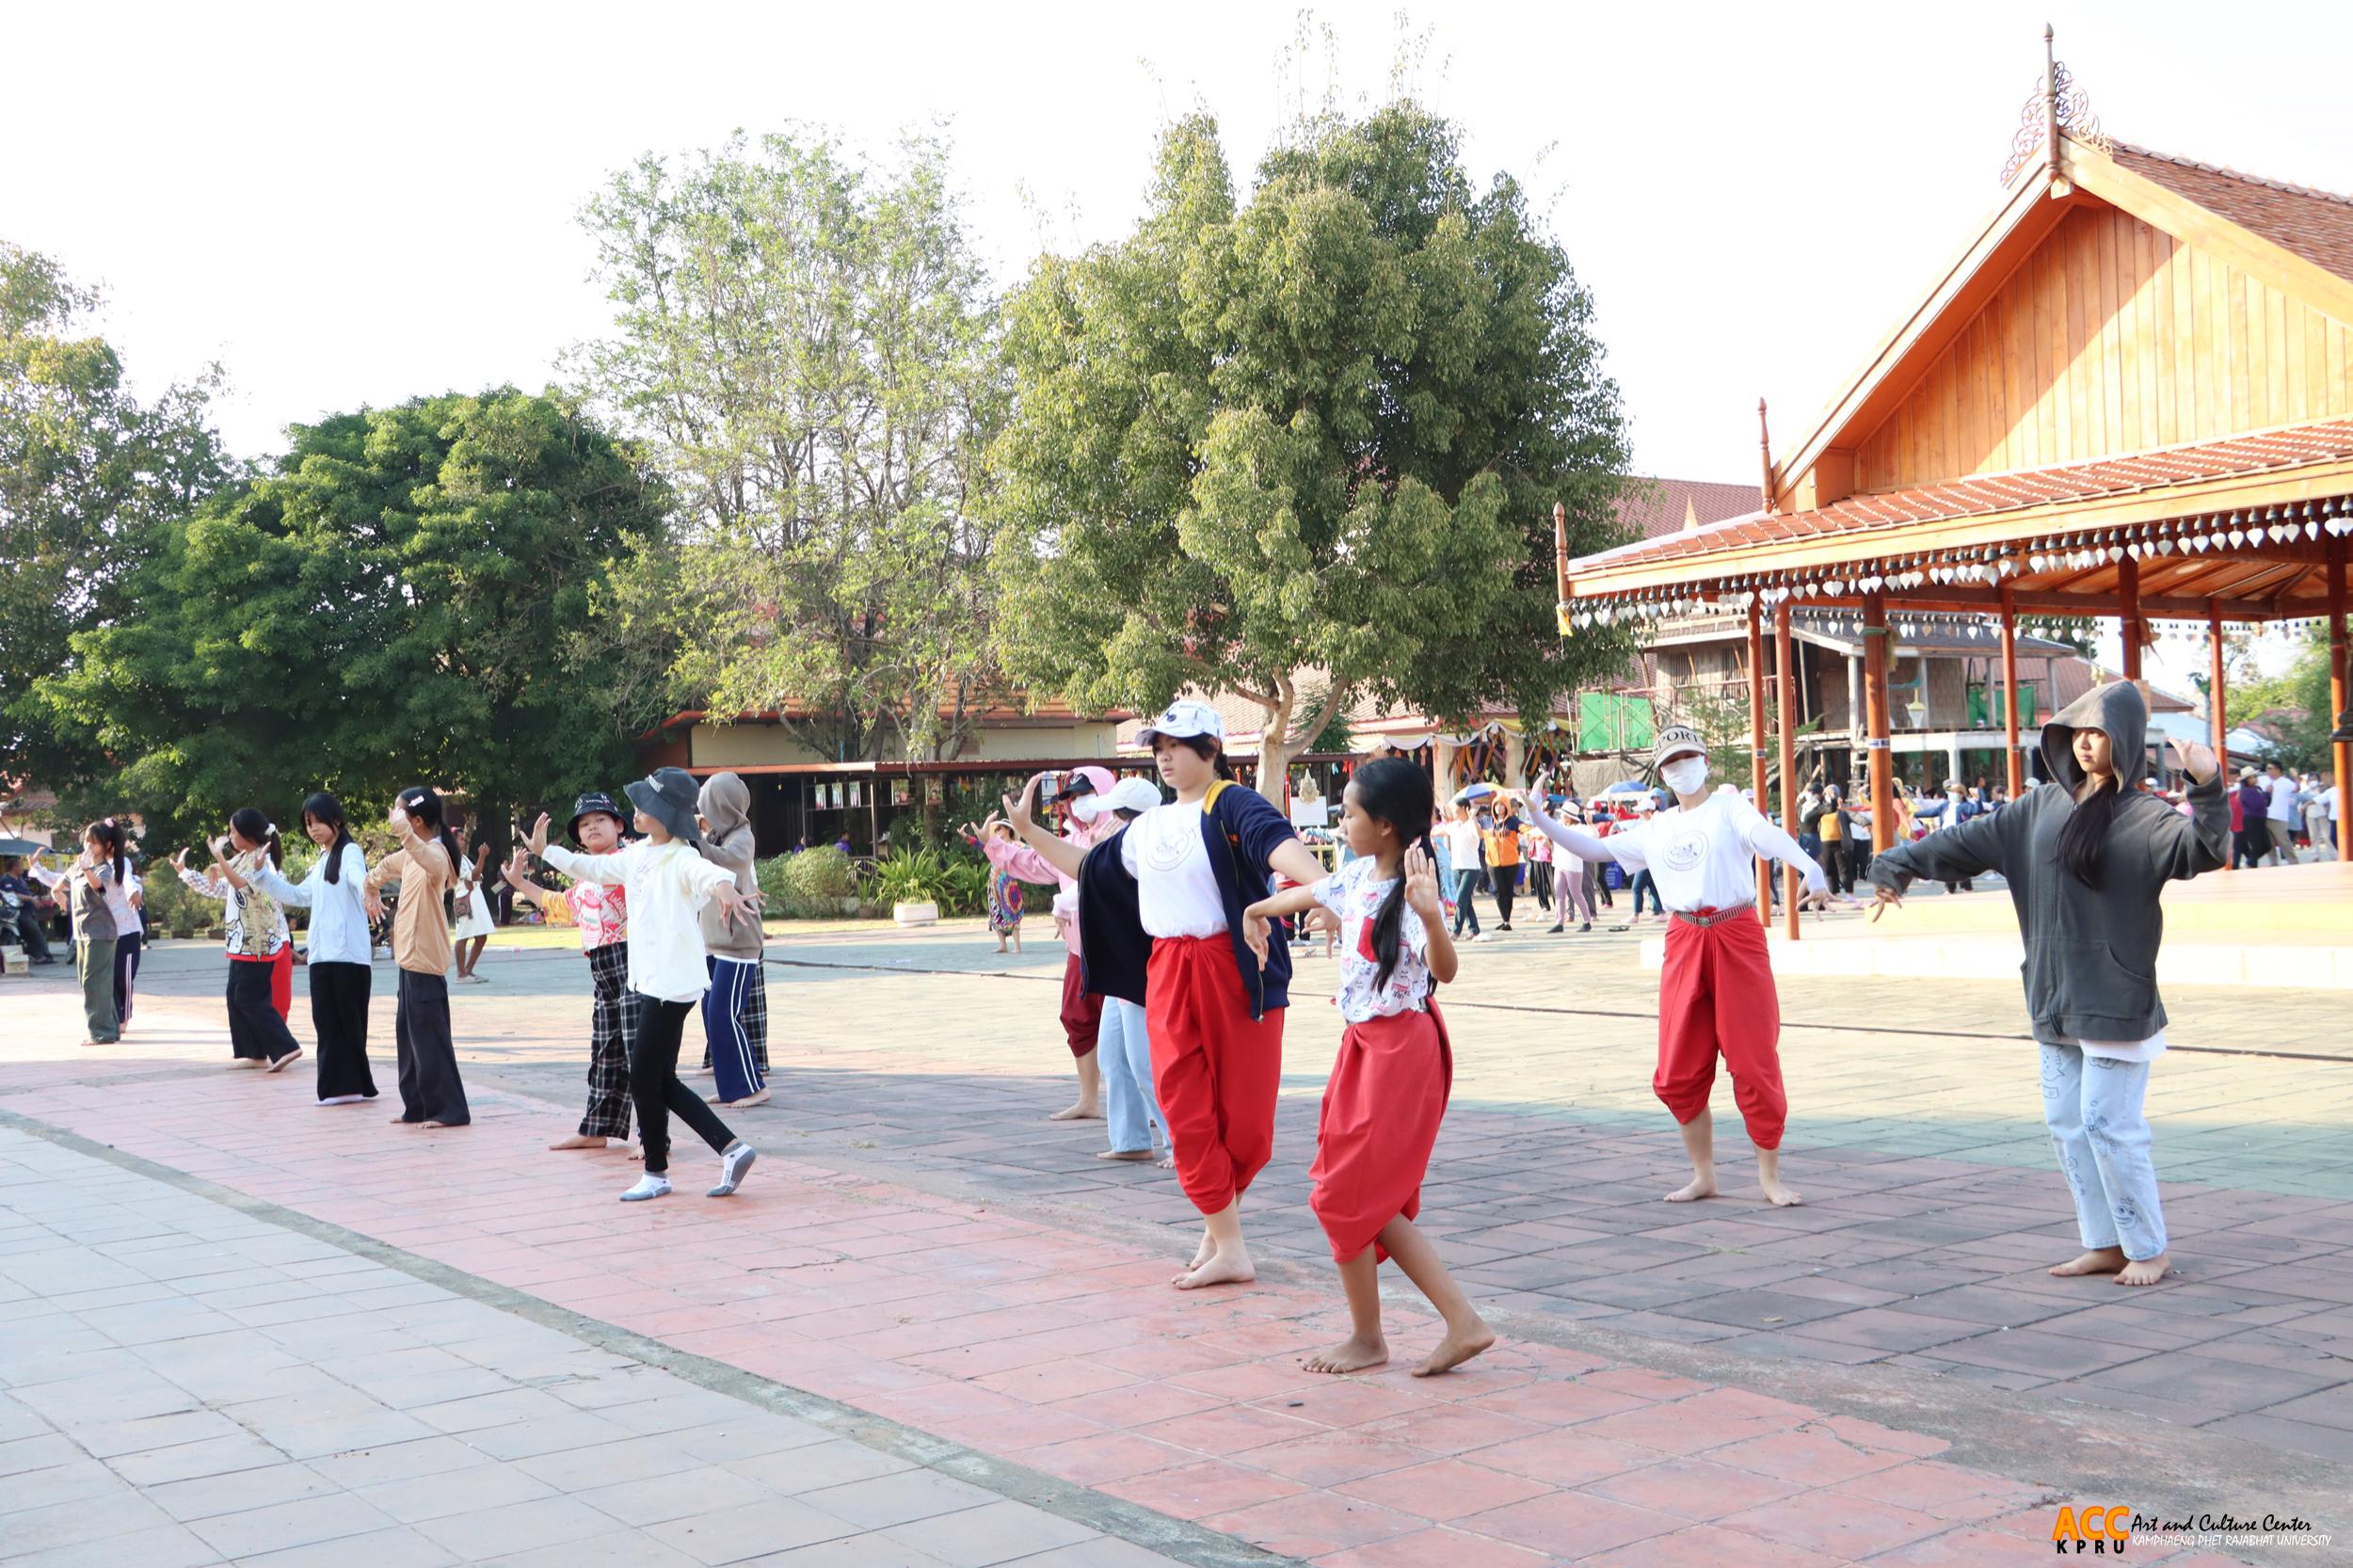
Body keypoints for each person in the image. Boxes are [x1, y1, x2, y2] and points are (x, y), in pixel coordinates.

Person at [1867, 682, 2225, 1288]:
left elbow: (2205, 848)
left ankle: (2149, 1248)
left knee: (2107, 1125)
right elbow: (1960, 843)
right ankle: (2104, 1243)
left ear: (2128, 743)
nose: (2087, 743)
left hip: (2115, 997)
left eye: (2101, 732)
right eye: (2077, 732)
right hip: (2053, 998)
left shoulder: (2146, 817)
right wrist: (1895, 868)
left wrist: (2208, 784)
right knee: (2066, 1124)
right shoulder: (2035, 810)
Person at [1026, 700, 1328, 1289]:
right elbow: (1092, 870)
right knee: (1184, 1109)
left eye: (1178, 744)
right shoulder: (1149, 826)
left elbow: (1277, 845)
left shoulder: (1232, 803)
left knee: (1246, 1127)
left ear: (1210, 750)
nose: (1164, 754)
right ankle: (1231, 1244)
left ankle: (1220, 1229)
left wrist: (1325, 887)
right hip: (1169, 970)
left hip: (1234, 968)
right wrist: (1033, 832)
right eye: (1158, 745)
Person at [1240, 757, 1493, 1377]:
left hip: (1402, 1050)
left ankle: (1399, 1333)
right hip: (1364, 1048)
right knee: (1347, 1191)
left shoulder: (1413, 893)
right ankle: (1424, 1329)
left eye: (1348, 812)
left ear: (1383, 826)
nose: (1339, 820)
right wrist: (1255, 913)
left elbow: (1445, 971)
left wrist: (1432, 915)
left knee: (1347, 1194)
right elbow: (1308, 892)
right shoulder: (1357, 877)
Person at [1520, 728, 1828, 1208]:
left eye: (1688, 756)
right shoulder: (1655, 828)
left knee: (1753, 1059)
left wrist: (1810, 865)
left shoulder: (1729, 808)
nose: (1681, 766)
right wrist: (1539, 817)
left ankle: (1770, 1177)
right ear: (1662, 773)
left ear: (1704, 759)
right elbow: (1594, 849)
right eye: (1671, 761)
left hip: (1736, 933)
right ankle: (1703, 1175)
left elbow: (1764, 835)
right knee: (1678, 1067)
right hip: (1684, 937)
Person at [529, 768, 762, 1202]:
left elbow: (710, 876)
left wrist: (727, 889)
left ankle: (657, 1171)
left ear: (663, 814)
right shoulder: (638, 856)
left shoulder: (682, 856)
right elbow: (591, 867)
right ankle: (730, 1150)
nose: (635, 811)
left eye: (643, 805)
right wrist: (550, 853)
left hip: (672, 984)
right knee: (660, 1079)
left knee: (643, 1077)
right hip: (653, 979)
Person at [977, 764, 1120, 1120]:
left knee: (1130, 1031)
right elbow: (1030, 861)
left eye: (1085, 795)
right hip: (1081, 952)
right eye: (1072, 799)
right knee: (1077, 1019)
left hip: (1122, 951)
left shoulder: (1126, 834)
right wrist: (991, 844)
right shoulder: (1068, 843)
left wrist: (1066, 904)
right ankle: (1089, 1099)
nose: (1078, 804)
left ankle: (1143, 1103)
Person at [503, 792, 637, 1151]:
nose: (592, 827)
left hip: (634, 961)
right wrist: (519, 884)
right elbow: (558, 905)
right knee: (605, 1049)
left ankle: (656, 1136)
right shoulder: (584, 878)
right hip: (601, 966)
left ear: (620, 826)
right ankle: (596, 1128)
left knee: (640, 1049)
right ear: (578, 838)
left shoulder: (628, 862)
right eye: (584, 824)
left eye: (601, 820)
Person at [232, 792, 376, 1105]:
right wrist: (262, 875)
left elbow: (356, 876)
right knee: (326, 1022)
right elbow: (297, 895)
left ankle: (347, 1088)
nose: (313, 829)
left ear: (336, 820)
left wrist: (368, 890)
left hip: (348, 955)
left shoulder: (349, 851)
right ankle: (342, 1088)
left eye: (318, 822)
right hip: (322, 955)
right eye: (308, 824)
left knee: (348, 1023)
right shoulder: (323, 860)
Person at [1072, 776, 1175, 1166]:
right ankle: (1131, 1138)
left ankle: (1179, 1145)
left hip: (1141, 964)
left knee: (1145, 1062)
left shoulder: (1144, 849)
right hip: (1121, 962)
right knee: (1113, 1056)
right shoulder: (1122, 846)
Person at [363, 788, 470, 1127]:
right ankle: (419, 1106)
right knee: (408, 1038)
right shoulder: (411, 854)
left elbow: (426, 859)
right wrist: (371, 889)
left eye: (398, 814)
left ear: (418, 821)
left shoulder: (435, 854)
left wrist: (405, 834)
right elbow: (382, 867)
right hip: (408, 960)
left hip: (425, 959)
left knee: (430, 1040)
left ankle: (449, 1111)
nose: (392, 819)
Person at [176, 811, 304, 1074]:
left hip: (258, 942)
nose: (230, 835)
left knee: (249, 997)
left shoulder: (263, 862)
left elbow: (245, 887)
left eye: (233, 831)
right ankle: (254, 1054)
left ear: (248, 835)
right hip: (240, 941)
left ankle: (286, 1046)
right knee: (235, 997)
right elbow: (222, 887)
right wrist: (186, 873)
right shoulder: (243, 858)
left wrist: (219, 858)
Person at [691, 773, 771, 1110]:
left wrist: (694, 838)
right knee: (711, 1011)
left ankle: (752, 1086)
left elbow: (725, 862)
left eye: (709, 806)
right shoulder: (715, 835)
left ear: (722, 807)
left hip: (739, 943)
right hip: (713, 942)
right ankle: (729, 1085)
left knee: (725, 1012)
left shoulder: (741, 837)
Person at [35, 824, 126, 1046]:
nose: (88, 845)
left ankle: (101, 1032)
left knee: (93, 981)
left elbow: (99, 887)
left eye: (93, 842)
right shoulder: (77, 867)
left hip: (101, 933)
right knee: (92, 982)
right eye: (86, 840)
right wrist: (57, 894)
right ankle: (110, 1029)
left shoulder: (105, 869)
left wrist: (87, 869)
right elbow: (59, 884)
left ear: (107, 846)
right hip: (82, 933)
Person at [967, 820, 1025, 953]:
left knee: (1013, 913)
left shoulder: (1015, 845)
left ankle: (1017, 946)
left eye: (1000, 829)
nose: (998, 831)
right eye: (997, 829)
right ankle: (1003, 945)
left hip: (1009, 884)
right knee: (995, 913)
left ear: (1007, 830)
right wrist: (966, 836)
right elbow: (980, 845)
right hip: (994, 884)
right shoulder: (995, 847)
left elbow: (1028, 851)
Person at [1543, 794, 1596, 934]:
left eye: (1563, 815)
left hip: (1573, 865)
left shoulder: (1579, 828)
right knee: (1559, 894)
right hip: (1559, 863)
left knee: (1576, 894)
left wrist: (1590, 822)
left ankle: (1587, 921)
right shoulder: (1559, 826)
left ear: (1569, 816)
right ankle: (1559, 922)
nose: (1561, 817)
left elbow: (1594, 837)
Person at [450, 827, 495, 983]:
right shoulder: (453, 858)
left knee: (481, 937)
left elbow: (477, 876)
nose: (464, 842)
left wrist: (472, 877)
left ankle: (468, 970)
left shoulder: (463, 857)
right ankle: (461, 973)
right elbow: (475, 874)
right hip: (465, 900)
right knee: (462, 935)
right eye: (461, 839)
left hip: (474, 898)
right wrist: (482, 857)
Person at [1438, 805, 1484, 940]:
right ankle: (1474, 930)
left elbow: (1480, 835)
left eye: (1456, 809)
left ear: (1464, 808)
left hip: (1471, 868)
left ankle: (1456, 931)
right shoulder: (1453, 825)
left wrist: (1473, 818)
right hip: (1456, 867)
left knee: (1460, 898)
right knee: (1466, 900)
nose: (1454, 812)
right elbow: (1438, 831)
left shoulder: (1472, 824)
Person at [0, 857, 58, 966]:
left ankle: (40, 956)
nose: (23, 868)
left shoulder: (21, 879)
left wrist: (38, 898)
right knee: (34, 931)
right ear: (14, 867)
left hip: (29, 910)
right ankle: (45, 955)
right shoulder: (6, 880)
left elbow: (26, 893)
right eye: (21, 866)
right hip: (17, 912)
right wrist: (31, 899)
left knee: (34, 933)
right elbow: (12, 895)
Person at [1803, 785, 1855, 894]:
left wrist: (1866, 823)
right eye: (1826, 794)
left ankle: (1849, 895)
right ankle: (1833, 893)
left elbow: (1853, 816)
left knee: (1843, 870)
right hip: (1824, 842)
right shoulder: (1820, 808)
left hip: (1839, 842)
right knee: (1829, 870)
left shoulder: (1840, 808)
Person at [1483, 802, 1524, 932]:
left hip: (1511, 862)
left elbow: (1526, 829)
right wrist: (1472, 817)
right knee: (1498, 891)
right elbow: (1476, 830)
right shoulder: (1487, 822)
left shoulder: (1513, 822)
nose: (1499, 808)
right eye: (1496, 805)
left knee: (1508, 892)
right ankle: (1505, 920)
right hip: (1493, 862)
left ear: (1506, 807)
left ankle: (1506, 920)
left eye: (1502, 805)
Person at [2264, 762, 2303, 865]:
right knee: (2268, 843)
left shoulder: (2285, 782)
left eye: (2270, 768)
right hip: (2264, 816)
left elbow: (2296, 789)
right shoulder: (2265, 781)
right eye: (2267, 769)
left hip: (2278, 817)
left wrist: (2296, 777)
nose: (2268, 771)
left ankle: (2293, 862)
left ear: (2278, 770)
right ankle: (2273, 864)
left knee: (2284, 842)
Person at [2231, 768, 2268, 869]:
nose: (2256, 778)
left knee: (2265, 845)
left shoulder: (2257, 788)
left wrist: (2267, 795)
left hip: (2260, 818)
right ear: (2247, 779)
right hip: (2251, 819)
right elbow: (2257, 804)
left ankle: (2250, 861)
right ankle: (2250, 863)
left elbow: (2266, 803)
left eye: (2256, 776)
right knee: (2256, 845)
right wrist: (2266, 794)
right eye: (2253, 777)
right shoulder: (2245, 791)